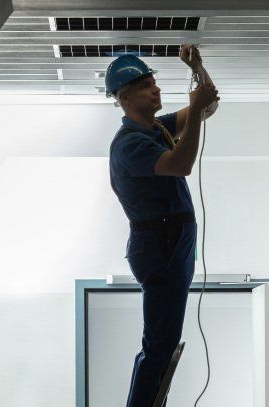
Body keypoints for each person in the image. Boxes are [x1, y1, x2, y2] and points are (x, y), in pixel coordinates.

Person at [107, 45, 219, 407]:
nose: (155, 89)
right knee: (159, 344)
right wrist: (196, 109)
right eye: (144, 86)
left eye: (153, 82)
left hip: (173, 240)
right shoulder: (130, 145)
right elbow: (180, 164)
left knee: (164, 342)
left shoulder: (156, 128)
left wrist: (197, 68)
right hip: (160, 243)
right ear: (124, 99)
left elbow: (209, 105)